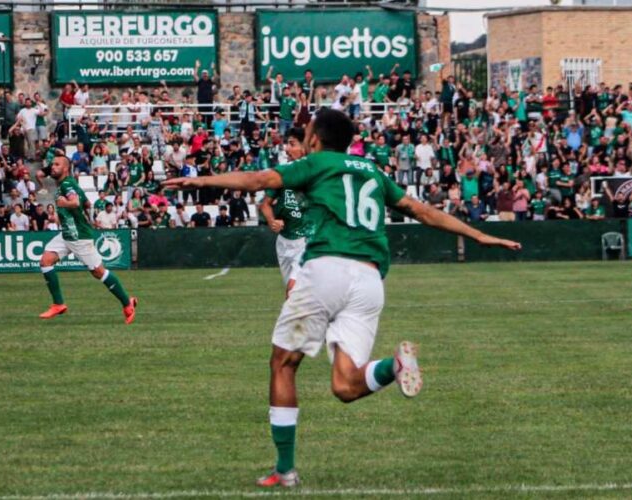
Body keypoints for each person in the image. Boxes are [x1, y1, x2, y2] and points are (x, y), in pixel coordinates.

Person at [161, 109, 521, 488]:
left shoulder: (316, 163)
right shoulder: (372, 171)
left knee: (283, 364)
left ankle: (284, 470)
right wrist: (478, 235)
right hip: (368, 282)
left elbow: (259, 180)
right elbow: (419, 210)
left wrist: (199, 178)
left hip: (327, 271)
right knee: (346, 386)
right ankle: (395, 366)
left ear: (316, 139)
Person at [36, 154, 138, 324]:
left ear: (66, 168)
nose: (52, 167)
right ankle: (58, 304)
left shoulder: (68, 184)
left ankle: (128, 303)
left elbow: (75, 202)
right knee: (45, 261)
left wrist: (64, 205)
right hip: (67, 234)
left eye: (57, 165)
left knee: (98, 272)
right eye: (52, 164)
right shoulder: (66, 182)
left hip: (79, 236)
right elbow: (86, 204)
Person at [257, 127, 309, 294]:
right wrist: (272, 221)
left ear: (305, 147)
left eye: (292, 144)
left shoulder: (315, 173)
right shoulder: (282, 173)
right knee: (297, 295)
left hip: (306, 240)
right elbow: (265, 204)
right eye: (287, 144)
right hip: (283, 241)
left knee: (292, 291)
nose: (287, 148)